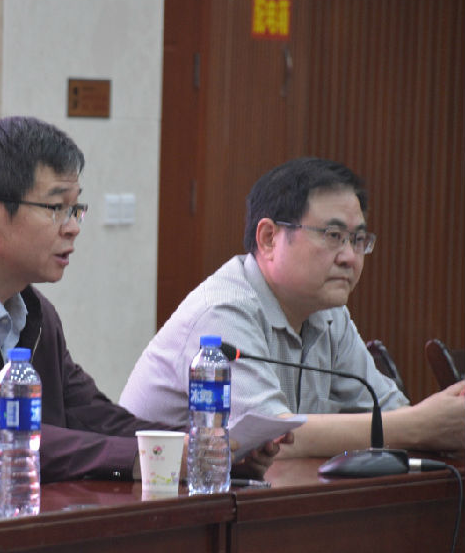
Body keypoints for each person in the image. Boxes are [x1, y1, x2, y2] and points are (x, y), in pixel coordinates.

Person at [0, 116, 280, 504]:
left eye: (76, 208)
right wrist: (154, 460)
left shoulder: (33, 312)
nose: (73, 227)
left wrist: (207, 450)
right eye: (55, 207)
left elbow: (93, 416)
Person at [119, 157, 465, 458]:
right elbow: (272, 441)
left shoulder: (329, 315)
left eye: (358, 239)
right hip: (159, 499)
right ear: (269, 238)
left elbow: (389, 410)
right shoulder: (222, 312)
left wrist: (441, 418)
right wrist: (421, 425)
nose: (349, 257)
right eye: (333, 235)